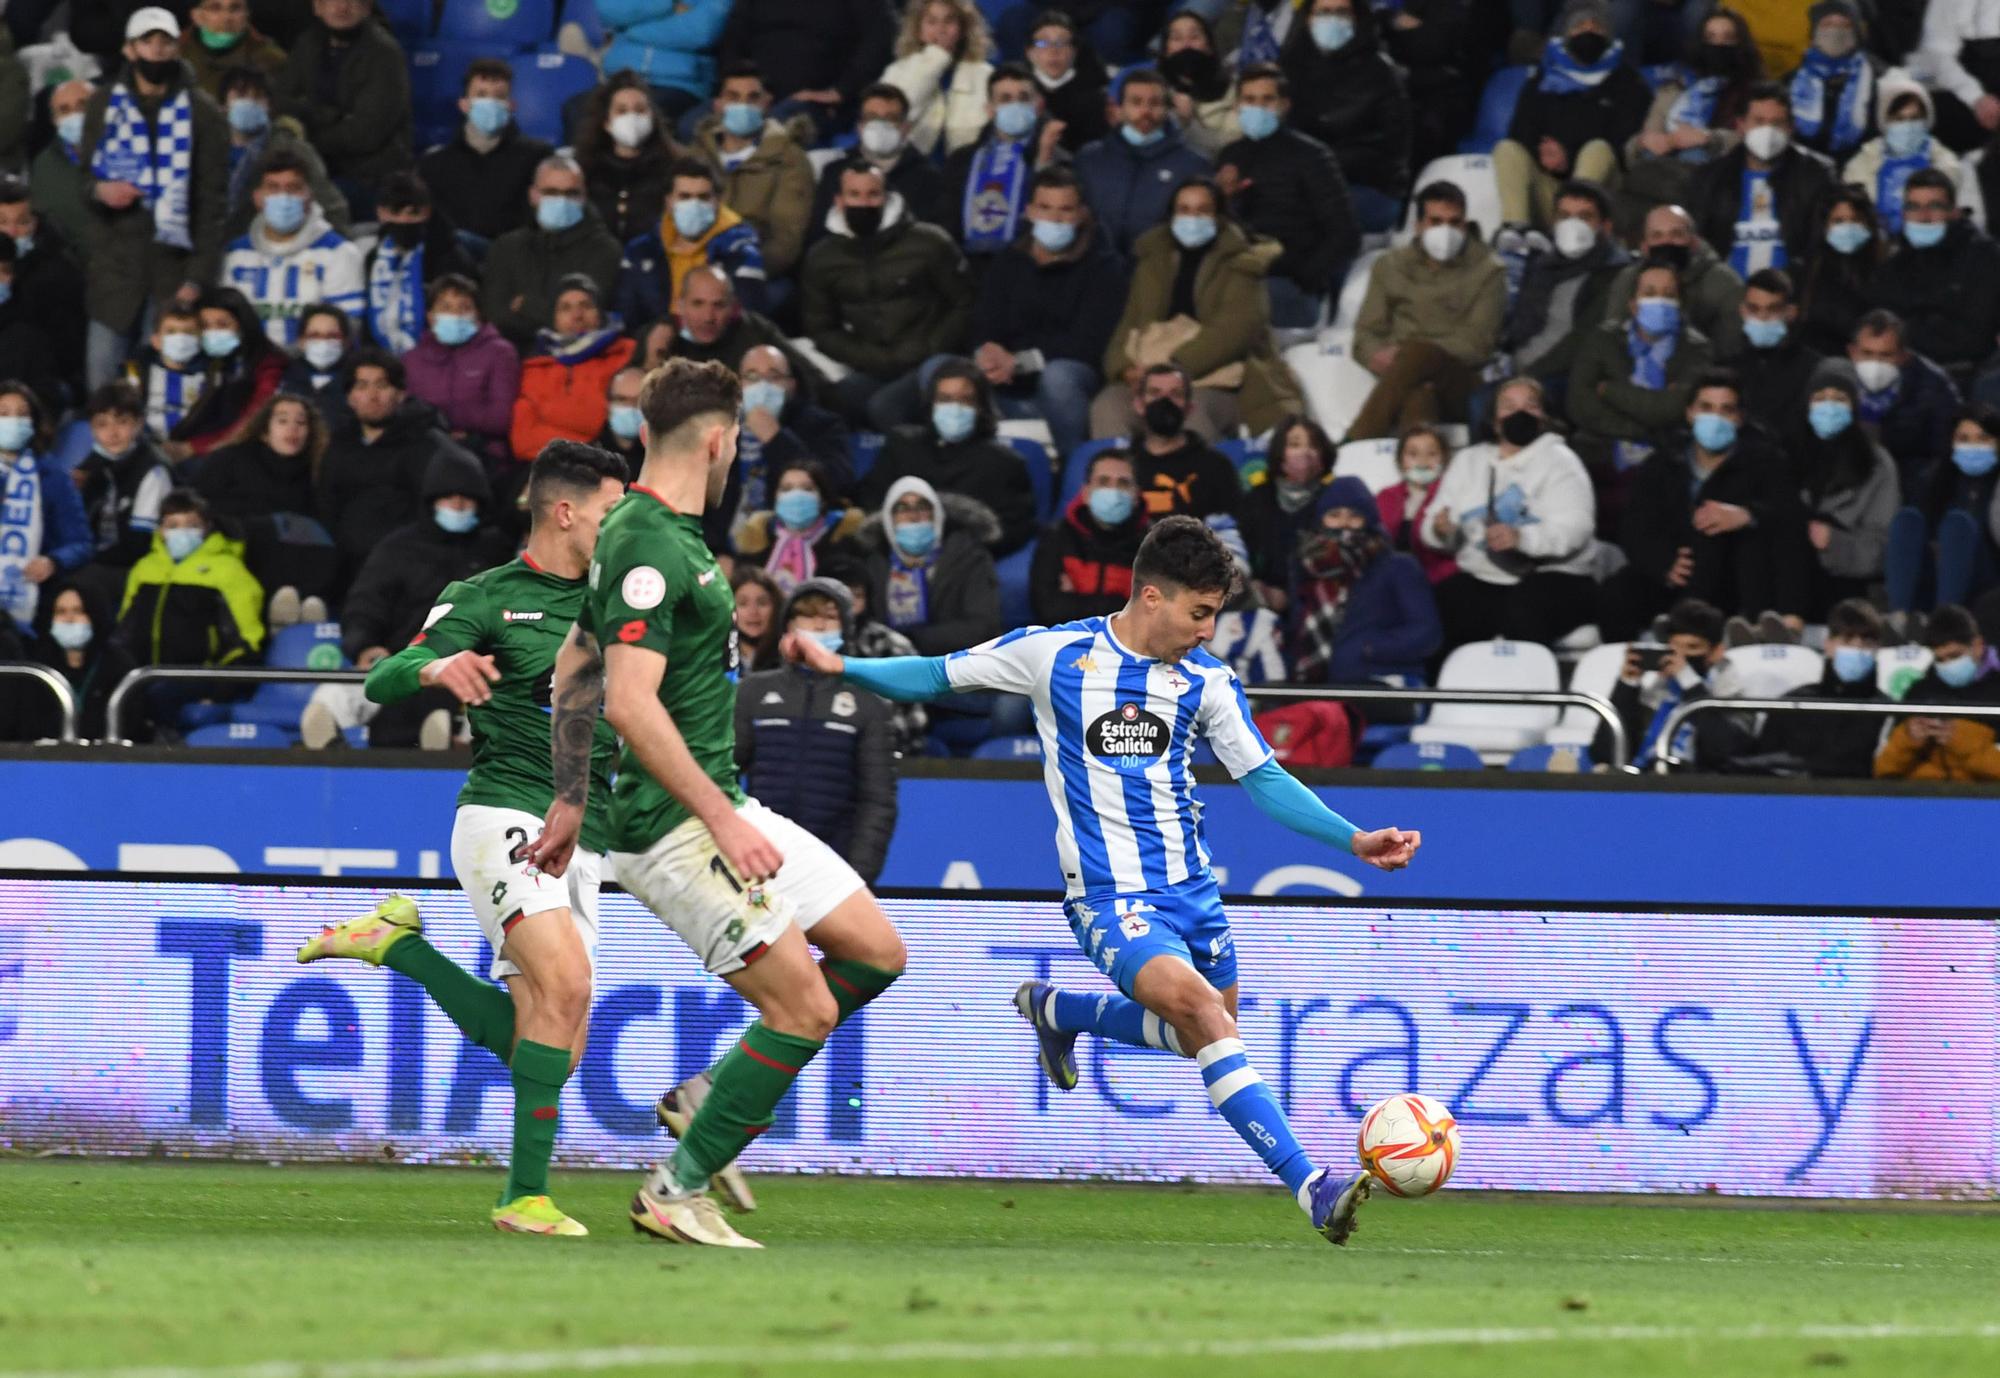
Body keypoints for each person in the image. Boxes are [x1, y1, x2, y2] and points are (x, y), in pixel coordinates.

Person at [786, 514, 1417, 1245]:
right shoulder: (1053, 653)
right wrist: (844, 669)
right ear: (1152, 596)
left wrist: (1355, 839)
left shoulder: (1207, 681)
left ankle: (1063, 1013)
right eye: (1199, 612)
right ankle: (1311, 1183)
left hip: (1194, 896)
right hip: (1110, 897)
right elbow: (936, 673)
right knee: (1206, 1017)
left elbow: (1265, 779)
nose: (1209, 630)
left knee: (1201, 1036)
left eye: (1215, 614)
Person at [528, 357, 909, 1248]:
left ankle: (704, 1099)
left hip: (717, 802)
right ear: (718, 440)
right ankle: (675, 1187)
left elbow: (574, 667)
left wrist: (572, 797)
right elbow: (625, 697)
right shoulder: (651, 543)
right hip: (678, 823)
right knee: (806, 1009)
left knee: (876, 952)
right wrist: (722, 819)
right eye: (737, 436)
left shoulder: (664, 535)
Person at [298, 441, 629, 1237]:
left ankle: (398, 946)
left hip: (583, 835)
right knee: (570, 988)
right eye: (612, 512)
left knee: (549, 1039)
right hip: (503, 815)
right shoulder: (487, 597)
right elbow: (378, 680)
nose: (623, 527)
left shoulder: (621, 606)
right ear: (564, 511)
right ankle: (523, 1198)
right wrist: (433, 671)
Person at [304, 443, 515, 749]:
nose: (457, 504)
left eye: (466, 497)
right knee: (339, 691)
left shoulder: (496, 551)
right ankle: (328, 737)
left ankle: (443, 737)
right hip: (402, 660)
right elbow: (364, 605)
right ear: (431, 500)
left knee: (492, 700)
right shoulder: (398, 548)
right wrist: (365, 646)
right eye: (448, 496)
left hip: (471, 666)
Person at [79, 9, 231, 391]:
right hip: (115, 275)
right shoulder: (102, 106)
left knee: (162, 388)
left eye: (166, 42)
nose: (158, 51)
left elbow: (212, 204)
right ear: (130, 50)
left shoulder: (204, 114)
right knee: (102, 385)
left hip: (174, 273)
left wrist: (197, 278)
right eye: (149, 42)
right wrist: (100, 191)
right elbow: (84, 180)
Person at [1096, 176, 1303, 440]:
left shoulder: (1243, 262)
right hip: (1149, 375)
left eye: (1202, 210)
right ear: (1171, 215)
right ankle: (1122, 477)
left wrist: (1172, 371)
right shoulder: (1152, 259)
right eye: (1184, 210)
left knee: (1193, 416)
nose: (1192, 219)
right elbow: (1130, 321)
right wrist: (1124, 368)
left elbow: (1235, 332)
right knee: (1108, 407)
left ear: (1219, 217)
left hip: (1218, 380)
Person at [1600, 368, 1801, 638]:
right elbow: (1635, 526)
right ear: (1690, 413)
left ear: (1739, 418)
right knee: (1619, 590)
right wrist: (1663, 563)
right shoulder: (1662, 463)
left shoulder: (1766, 463)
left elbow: (1790, 516)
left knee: (1731, 540)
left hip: (1734, 575)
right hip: (1672, 573)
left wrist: (1747, 515)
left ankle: (1752, 632)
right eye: (1706, 407)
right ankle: (1626, 666)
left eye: (1726, 410)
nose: (1715, 417)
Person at [734, 576, 899, 885]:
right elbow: (722, 773)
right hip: (761, 860)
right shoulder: (752, 692)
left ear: (847, 626)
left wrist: (858, 877)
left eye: (830, 616)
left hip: (834, 866)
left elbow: (877, 801)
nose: (819, 626)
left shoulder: (869, 703)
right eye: (807, 615)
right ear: (789, 624)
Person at [962, 165, 1126, 465]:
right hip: (1006, 380)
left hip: (1070, 379)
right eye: (1046, 208)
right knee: (941, 371)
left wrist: (1019, 361)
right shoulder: (1008, 261)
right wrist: (987, 352)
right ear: (1029, 211)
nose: (1055, 218)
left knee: (1058, 378)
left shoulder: (1105, 267)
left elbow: (1088, 342)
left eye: (1066, 209)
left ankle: (1074, 468)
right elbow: (985, 320)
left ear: (1082, 214)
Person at [1420, 376, 1598, 648]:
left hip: (1555, 577)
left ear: (1544, 417)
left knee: (1525, 610)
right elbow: (1434, 522)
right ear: (1493, 419)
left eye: (1531, 405)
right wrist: (1440, 530)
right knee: (1439, 609)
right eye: (1508, 405)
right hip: (1484, 577)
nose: (1520, 413)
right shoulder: (1468, 460)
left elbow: (1576, 528)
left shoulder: (1562, 461)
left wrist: (1522, 538)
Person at [802, 160, 973, 432]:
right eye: (854, 195)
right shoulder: (822, 257)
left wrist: (928, 347)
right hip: (873, 366)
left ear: (887, 197)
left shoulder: (930, 242)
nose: (864, 203)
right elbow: (821, 327)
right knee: (830, 401)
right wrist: (866, 356)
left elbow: (965, 303)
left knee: (886, 407)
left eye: (873, 194)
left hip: (932, 361)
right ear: (839, 200)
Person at [1347, 180, 1507, 439]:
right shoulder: (1389, 265)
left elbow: (1478, 344)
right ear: (1418, 225)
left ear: (1464, 225)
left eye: (1454, 222)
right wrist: (1375, 355)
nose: (1446, 230)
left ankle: (1355, 439)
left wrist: (1412, 356)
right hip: (1403, 379)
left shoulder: (1489, 270)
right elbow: (1365, 334)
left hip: (1461, 380)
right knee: (1419, 396)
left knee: (1417, 354)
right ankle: (1420, 470)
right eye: (1436, 221)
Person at [1216, 62, 1360, 331]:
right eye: (1249, 99)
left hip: (1288, 283)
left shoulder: (1313, 156)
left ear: (1284, 105)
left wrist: (1303, 276)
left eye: (1267, 99)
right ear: (1236, 106)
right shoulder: (1229, 157)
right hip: (1238, 274)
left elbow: (1345, 234)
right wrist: (1224, 201)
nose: (1257, 108)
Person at [1569, 254, 1716, 504]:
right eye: (1649, 292)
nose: (1659, 300)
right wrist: (1642, 431)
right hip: (1601, 454)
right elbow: (1579, 405)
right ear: (1634, 305)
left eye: (1668, 294)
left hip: (1668, 461)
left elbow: (1672, 409)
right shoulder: (1603, 339)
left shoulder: (1698, 349)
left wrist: (1610, 391)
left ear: (1680, 303)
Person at [1494, 0, 1651, 234]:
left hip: (1603, 195)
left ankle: (1576, 226)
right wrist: (1544, 156)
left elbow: (1625, 142)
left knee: (1597, 149)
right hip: (1551, 188)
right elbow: (1520, 131)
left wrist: (1568, 157)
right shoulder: (1543, 79)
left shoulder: (1628, 82)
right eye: (1579, 27)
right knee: (1507, 149)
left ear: (1608, 36)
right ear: (1566, 35)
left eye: (1596, 27)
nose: (1588, 32)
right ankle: (1516, 232)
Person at [859, 361, 1038, 556]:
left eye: (966, 400)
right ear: (931, 405)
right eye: (945, 399)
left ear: (981, 407)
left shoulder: (1004, 463)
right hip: (896, 555)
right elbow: (871, 500)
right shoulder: (901, 446)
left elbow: (1012, 531)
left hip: (967, 563)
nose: (955, 408)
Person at [1286, 476, 1441, 686]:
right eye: (1334, 515)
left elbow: (1427, 632)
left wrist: (1369, 648)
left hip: (1386, 684)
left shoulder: (1399, 566)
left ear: (1369, 520)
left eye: (1354, 516)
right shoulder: (1306, 568)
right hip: (1321, 686)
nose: (1344, 523)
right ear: (1321, 520)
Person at [1619, 6, 1762, 232]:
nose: (1718, 46)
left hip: (1717, 172)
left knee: (1693, 154)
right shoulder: (1675, 87)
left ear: (1741, 44)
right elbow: (1638, 143)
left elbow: (1758, 141)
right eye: (1711, 38)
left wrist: (1708, 138)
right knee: (1649, 158)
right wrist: (1643, 142)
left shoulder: (1754, 91)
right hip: (1660, 169)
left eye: (1728, 38)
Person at [317, 348, 454, 582]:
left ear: (400, 394)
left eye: (381, 385)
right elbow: (327, 506)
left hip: (409, 563)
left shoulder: (426, 443)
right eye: (362, 386)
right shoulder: (338, 445)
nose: (372, 395)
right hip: (346, 563)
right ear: (350, 397)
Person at [1279, 0, 1413, 233]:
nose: (1332, 19)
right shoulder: (1290, 64)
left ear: (1356, 18)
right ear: (1309, 18)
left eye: (1342, 12)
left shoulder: (1383, 75)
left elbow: (1392, 151)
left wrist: (1320, 168)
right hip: (1301, 182)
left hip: (1366, 186)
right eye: (1324, 12)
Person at [707, 341, 851, 552]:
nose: (762, 386)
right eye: (752, 377)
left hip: (794, 545)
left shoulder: (822, 425)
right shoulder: (718, 431)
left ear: (790, 385)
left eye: (773, 377)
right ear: (738, 386)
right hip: (723, 553)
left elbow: (837, 483)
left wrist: (776, 439)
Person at [1685, 82, 1836, 281]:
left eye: (1777, 123)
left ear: (1791, 128)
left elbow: (1819, 245)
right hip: (1729, 296)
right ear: (1740, 125)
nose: (1768, 130)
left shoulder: (1815, 175)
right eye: (1759, 121)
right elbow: (1697, 243)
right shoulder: (1710, 178)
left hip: (1791, 292)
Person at [1501, 181, 1634, 405]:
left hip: (1566, 376)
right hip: (1519, 370)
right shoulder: (1540, 266)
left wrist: (1526, 377)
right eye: (1565, 216)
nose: (1573, 225)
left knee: (1481, 403)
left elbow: (1583, 344)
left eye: (1584, 217)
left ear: (1606, 226)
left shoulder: (1616, 274)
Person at [278, 0, 413, 214]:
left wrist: (309, 138)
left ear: (367, 7)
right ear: (317, 7)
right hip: (314, 167)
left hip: (368, 175)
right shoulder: (306, 44)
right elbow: (283, 102)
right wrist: (333, 116)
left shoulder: (386, 54)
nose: (341, 7)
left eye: (352, 0)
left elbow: (367, 133)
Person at [219, 149, 364, 347]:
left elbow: (346, 327)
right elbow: (225, 324)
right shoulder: (235, 254)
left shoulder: (339, 253)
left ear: (309, 196)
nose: (284, 196)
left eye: (294, 188)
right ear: (257, 197)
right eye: (273, 187)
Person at [1867, 170, 2000, 386]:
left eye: (1935, 206)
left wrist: (1910, 327)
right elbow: (1884, 328)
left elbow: (1974, 337)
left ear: (1954, 212)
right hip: (1905, 378)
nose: (1924, 216)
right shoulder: (1893, 264)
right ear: (1903, 214)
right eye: (1914, 207)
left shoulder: (1986, 257)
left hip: (1970, 377)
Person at [115, 487, 265, 676]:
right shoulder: (143, 569)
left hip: (201, 680)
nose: (182, 532)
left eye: (192, 525)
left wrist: (222, 686)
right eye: (173, 525)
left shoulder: (229, 569)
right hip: (143, 679)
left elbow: (247, 636)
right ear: (160, 529)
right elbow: (126, 627)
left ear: (206, 528)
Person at [481, 155, 624, 352]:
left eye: (571, 193)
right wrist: (554, 316)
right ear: (533, 195)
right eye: (551, 192)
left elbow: (583, 319)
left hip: (580, 358)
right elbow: (497, 316)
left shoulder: (605, 250)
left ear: (584, 197)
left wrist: (527, 305)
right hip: (514, 358)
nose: (561, 200)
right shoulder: (506, 247)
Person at [689, 63, 816, 282]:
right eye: (733, 97)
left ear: (767, 103)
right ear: (717, 104)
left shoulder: (789, 159)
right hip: (693, 271)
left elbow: (786, 239)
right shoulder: (696, 155)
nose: (743, 105)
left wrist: (742, 273)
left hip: (757, 272)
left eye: (753, 98)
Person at [1795, 358, 1900, 615]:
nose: (1828, 406)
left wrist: (1834, 542)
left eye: (1839, 398)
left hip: (1849, 585)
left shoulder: (1876, 463)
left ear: (1854, 406)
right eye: (1820, 398)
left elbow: (1883, 546)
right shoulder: (1788, 456)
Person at [859, 474, 1003, 658]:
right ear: (889, 520)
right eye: (902, 509)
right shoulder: (875, 564)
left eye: (922, 507)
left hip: (957, 665)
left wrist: (913, 640)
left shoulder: (969, 558)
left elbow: (983, 626)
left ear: (937, 516)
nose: (913, 516)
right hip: (889, 666)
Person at [1073, 69, 1212, 258]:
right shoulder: (1089, 159)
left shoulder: (1194, 165)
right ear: (1118, 109)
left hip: (1159, 274)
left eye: (1155, 103)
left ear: (1167, 109)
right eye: (1136, 102)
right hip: (1096, 273)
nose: (1145, 111)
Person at [715, 0, 896, 145]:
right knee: (691, 125)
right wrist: (731, 89)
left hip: (815, 103)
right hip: (751, 96)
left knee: (775, 129)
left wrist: (841, 91)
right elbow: (733, 38)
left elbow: (879, 39)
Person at [417, 58, 554, 248]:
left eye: (499, 96)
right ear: (464, 104)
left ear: (511, 106)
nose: (490, 102)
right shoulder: (434, 165)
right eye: (481, 95)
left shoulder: (538, 158)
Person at [615, 158, 768, 326]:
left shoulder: (741, 252)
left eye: (703, 197)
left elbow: (747, 322)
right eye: (684, 196)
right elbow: (627, 317)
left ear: (717, 201)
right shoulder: (640, 251)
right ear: (669, 201)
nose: (694, 204)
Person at [1748, 597, 1888, 777]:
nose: (1857, 648)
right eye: (1847, 639)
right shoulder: (1794, 703)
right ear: (1828, 643)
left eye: (1867, 642)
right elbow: (1763, 766)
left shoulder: (1886, 709)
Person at [940, 64, 1064, 266]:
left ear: (1038, 105)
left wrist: (1044, 161)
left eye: (1024, 98)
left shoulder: (1059, 160)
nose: (1015, 105)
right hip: (972, 270)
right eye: (1005, 99)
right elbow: (947, 222)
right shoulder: (961, 160)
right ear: (989, 109)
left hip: (1030, 269)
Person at [0, 382, 93, 651]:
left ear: (34, 422)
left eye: (21, 414)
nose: (13, 421)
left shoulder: (53, 476)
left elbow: (81, 543)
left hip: (35, 598)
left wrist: (52, 562)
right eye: (4, 413)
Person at [1607, 595, 1749, 770]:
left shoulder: (1731, 692)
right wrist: (1627, 685)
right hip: (1645, 780)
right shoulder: (1657, 692)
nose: (1680, 658)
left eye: (1692, 648)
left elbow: (1728, 750)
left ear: (1716, 652)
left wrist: (1689, 682)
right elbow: (1604, 753)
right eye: (1675, 649)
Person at [511, 276, 639, 466]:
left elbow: (598, 422)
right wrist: (587, 444)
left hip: (612, 464)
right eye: (565, 308)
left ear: (600, 313)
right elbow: (523, 439)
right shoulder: (535, 367)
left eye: (586, 306)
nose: (577, 315)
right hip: (546, 468)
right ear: (553, 318)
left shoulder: (626, 354)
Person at [806, 83, 951, 250]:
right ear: (860, 127)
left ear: (905, 127)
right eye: (872, 117)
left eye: (890, 118)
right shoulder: (834, 173)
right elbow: (817, 237)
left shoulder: (928, 178)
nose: (880, 125)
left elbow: (935, 242)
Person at [1885, 407, 2000, 617]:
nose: (1973, 446)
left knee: (1958, 525)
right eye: (1964, 438)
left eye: (1983, 438)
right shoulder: (1935, 480)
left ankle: (1946, 621)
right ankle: (1898, 618)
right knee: (1907, 519)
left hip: (1988, 576)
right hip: (1938, 577)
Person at [215, 66, 351, 244]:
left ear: (269, 106)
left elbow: (331, 206)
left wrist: (332, 249)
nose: (249, 103)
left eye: (257, 98)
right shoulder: (206, 149)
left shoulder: (292, 150)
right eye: (240, 96)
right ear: (223, 105)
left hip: (274, 246)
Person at [403, 274, 521, 466]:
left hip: (484, 453)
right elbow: (407, 415)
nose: (456, 315)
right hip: (425, 453)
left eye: (465, 308)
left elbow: (501, 418)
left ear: (478, 315)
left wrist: (439, 418)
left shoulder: (500, 352)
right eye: (446, 308)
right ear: (430, 317)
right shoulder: (411, 359)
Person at [1600, 203, 1746, 358]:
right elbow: (1611, 337)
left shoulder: (1724, 282)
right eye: (1657, 236)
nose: (1667, 242)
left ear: (1694, 241)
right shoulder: (1628, 279)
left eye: (1676, 234)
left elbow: (1730, 348)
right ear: (1644, 246)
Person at [1873, 603, 2000, 780]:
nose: (1948, 665)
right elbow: (1882, 768)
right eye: (1940, 659)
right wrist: (1909, 738)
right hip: (1923, 798)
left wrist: (1964, 741)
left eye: (1955, 656)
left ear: (1977, 646)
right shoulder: (1919, 692)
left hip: (1984, 800)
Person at [0, 580, 137, 741]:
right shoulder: (39, 667)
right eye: (61, 612)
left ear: (95, 615)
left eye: (78, 611)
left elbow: (133, 726)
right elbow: (25, 725)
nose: (69, 619)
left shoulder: (118, 664)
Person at [364, 170, 475, 356]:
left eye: (413, 213)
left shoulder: (450, 256)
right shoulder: (373, 259)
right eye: (396, 212)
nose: (405, 220)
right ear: (381, 213)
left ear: (427, 212)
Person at [1845, 309, 1959, 487]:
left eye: (1885, 355)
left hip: (1908, 485)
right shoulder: (1835, 382)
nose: (1875, 363)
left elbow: (1942, 458)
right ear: (1852, 352)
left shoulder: (1935, 387)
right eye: (1867, 353)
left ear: (1903, 356)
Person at [1030, 446, 1145, 623]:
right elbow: (1049, 609)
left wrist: (1075, 601)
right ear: (1085, 493)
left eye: (1123, 483)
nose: (1113, 491)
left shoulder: (1152, 545)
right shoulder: (1057, 537)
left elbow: (1149, 616)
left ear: (1136, 495)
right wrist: (1120, 604)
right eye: (1103, 481)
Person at [171, 286, 287, 457]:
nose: (213, 332)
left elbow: (253, 421)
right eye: (205, 326)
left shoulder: (269, 362)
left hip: (245, 451)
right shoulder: (209, 360)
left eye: (222, 324)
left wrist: (193, 448)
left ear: (242, 325)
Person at [1118, 363, 1242, 520]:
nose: (1164, 402)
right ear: (1139, 405)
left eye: (1175, 394)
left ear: (1189, 408)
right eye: (1155, 393)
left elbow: (1232, 531)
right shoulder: (1120, 466)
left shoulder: (1216, 466)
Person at [1841, 75, 1961, 239]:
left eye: (1915, 118)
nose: (1908, 126)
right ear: (1884, 122)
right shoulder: (1858, 166)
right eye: (1899, 119)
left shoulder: (1949, 165)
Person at [74, 381, 174, 577]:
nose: (112, 433)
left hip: (136, 568)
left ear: (139, 424)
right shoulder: (92, 464)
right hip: (97, 558)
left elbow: (139, 546)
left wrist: (88, 559)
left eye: (122, 422)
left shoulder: (153, 471)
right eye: (102, 424)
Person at [0, 177, 89, 388]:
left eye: (21, 222)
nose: (11, 233)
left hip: (43, 380)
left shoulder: (58, 271)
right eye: (2, 222)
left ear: (34, 223)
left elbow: (60, 345)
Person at [880, 0, 995, 158]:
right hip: (910, 168)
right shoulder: (897, 72)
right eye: (931, 22)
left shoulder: (985, 74)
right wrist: (935, 59)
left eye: (949, 21)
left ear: (962, 29)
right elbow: (896, 117)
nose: (941, 30)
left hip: (965, 167)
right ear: (918, 29)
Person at [1239, 414, 1335, 604]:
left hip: (1317, 603)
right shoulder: (1257, 497)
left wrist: (1290, 597)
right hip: (1262, 603)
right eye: (1295, 444)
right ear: (1280, 452)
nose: (1305, 453)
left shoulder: (1334, 498)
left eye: (1313, 446)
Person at [577, 72, 679, 249]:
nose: (632, 118)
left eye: (640, 110)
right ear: (607, 122)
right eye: (622, 111)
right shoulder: (584, 170)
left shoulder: (675, 168)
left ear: (652, 118)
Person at [732, 458, 865, 590]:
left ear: (823, 499)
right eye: (786, 489)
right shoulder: (758, 541)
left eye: (807, 488)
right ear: (776, 498)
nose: (796, 495)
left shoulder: (844, 541)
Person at [601, 0, 732, 124]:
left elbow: (700, 32)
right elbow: (606, 10)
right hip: (621, 76)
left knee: (643, 115)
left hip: (680, 83)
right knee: (586, 109)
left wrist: (629, 29)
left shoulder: (629, 31)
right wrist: (670, 3)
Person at [1726, 267, 1824, 426]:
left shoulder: (1814, 369)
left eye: (1773, 309)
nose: (1762, 317)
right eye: (1754, 309)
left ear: (1791, 312)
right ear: (1743, 311)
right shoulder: (1729, 367)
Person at [1785, 1, 1881, 163]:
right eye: (1827, 24)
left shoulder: (1878, 77)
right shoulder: (1792, 81)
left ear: (1856, 31)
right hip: (1803, 169)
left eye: (1845, 24)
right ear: (1814, 31)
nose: (1835, 31)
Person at [1796, 185, 1883, 358]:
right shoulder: (1804, 272)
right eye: (1839, 221)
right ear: (1824, 226)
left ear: (1868, 224)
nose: (1848, 227)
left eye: (1856, 219)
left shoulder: (1885, 271)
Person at [1376, 422, 1460, 586]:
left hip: (1439, 583)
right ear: (1400, 461)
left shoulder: (1453, 496)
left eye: (1431, 453)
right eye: (1413, 454)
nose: (1422, 461)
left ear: (1445, 459)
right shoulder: (1385, 497)